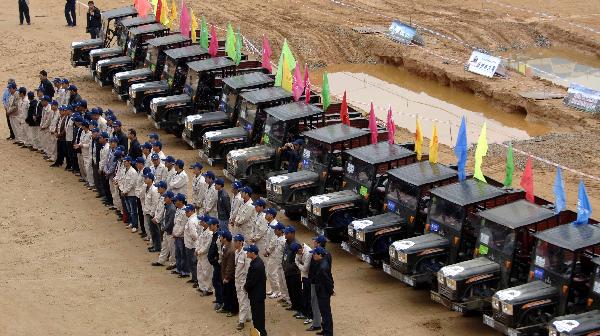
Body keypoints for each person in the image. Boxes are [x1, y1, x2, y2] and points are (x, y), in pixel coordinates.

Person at [244, 244, 267, 336]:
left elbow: (252, 281)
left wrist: (245, 287)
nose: (246, 253)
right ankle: (258, 332)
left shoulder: (257, 265)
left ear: (253, 253)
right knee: (256, 316)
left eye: (248, 252)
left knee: (258, 316)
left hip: (257, 295)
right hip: (256, 294)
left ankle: (261, 333)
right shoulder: (256, 262)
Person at [312, 246, 334, 336]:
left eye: (314, 254)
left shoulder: (322, 267)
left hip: (323, 293)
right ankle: (325, 329)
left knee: (326, 313)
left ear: (320, 255)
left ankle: (328, 332)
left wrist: (330, 291)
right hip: (322, 291)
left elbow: (328, 281)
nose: (313, 255)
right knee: (323, 312)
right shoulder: (321, 262)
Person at [153, 187, 175, 267]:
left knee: (172, 249)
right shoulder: (167, 206)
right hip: (167, 230)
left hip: (170, 231)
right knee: (165, 246)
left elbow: (171, 222)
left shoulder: (172, 208)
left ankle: (173, 263)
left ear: (170, 198)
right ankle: (161, 261)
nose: (164, 198)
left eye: (166, 197)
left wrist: (164, 228)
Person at [218, 231, 238, 316]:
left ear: (225, 238)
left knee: (231, 293)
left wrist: (226, 277)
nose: (220, 238)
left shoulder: (231, 250)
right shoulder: (225, 246)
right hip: (224, 273)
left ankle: (233, 310)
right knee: (225, 292)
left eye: (221, 236)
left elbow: (230, 266)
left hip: (229, 276)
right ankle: (226, 307)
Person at [264, 222, 286, 300]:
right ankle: (275, 290)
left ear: (280, 231)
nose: (274, 231)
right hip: (275, 258)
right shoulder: (278, 238)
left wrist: (268, 251)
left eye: (276, 229)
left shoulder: (283, 240)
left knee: (273, 274)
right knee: (271, 274)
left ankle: (277, 291)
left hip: (278, 261)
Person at [234, 234, 251, 330]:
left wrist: (246, 282)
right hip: (238, 279)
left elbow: (248, 268)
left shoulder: (245, 253)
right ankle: (248, 316)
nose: (234, 243)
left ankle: (241, 321)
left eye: (236, 241)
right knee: (242, 299)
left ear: (240, 242)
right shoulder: (237, 252)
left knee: (243, 300)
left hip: (243, 280)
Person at [282, 226, 301, 311]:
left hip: (294, 272)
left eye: (287, 233)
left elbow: (299, 259)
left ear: (292, 234)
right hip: (287, 271)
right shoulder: (287, 243)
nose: (285, 235)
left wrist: (290, 267)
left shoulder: (296, 244)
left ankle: (298, 307)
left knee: (296, 291)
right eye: (285, 233)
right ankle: (294, 306)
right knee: (290, 290)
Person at [195, 216, 214, 296]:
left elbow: (207, 246)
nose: (200, 222)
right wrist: (196, 250)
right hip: (200, 255)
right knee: (200, 271)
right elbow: (198, 242)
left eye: (201, 221)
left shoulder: (210, 233)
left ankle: (208, 289)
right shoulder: (202, 230)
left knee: (207, 272)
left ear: (205, 222)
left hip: (205, 255)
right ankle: (202, 286)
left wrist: (199, 251)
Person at [120, 156, 139, 232]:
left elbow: (132, 184)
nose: (124, 163)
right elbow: (121, 180)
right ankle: (131, 222)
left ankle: (135, 225)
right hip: (125, 193)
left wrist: (125, 191)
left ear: (130, 162)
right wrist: (122, 190)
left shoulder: (133, 172)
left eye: (126, 161)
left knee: (133, 210)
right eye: (124, 161)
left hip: (131, 194)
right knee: (129, 209)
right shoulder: (124, 170)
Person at [171, 193, 189, 277]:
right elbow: (176, 224)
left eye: (176, 200)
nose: (175, 201)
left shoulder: (185, 212)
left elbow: (183, 226)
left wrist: (177, 234)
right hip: (177, 236)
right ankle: (178, 269)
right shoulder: (178, 209)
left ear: (181, 202)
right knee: (177, 254)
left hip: (181, 237)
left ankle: (184, 271)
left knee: (183, 255)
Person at [208, 220, 223, 310]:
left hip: (218, 264)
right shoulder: (214, 235)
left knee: (217, 282)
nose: (209, 226)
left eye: (211, 225)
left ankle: (220, 301)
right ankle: (218, 298)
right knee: (216, 281)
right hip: (215, 263)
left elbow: (220, 250)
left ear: (215, 225)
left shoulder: (219, 236)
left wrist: (216, 260)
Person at [143, 173, 161, 252]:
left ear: (151, 179)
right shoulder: (147, 188)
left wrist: (152, 214)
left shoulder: (153, 189)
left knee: (155, 231)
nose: (145, 179)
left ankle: (157, 247)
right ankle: (154, 245)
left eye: (146, 178)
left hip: (151, 213)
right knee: (152, 230)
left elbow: (155, 203)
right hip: (147, 211)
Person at [293, 242, 312, 321]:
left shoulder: (308, 253)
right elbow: (296, 259)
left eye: (297, 252)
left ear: (300, 249)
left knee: (309, 297)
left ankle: (310, 316)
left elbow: (305, 268)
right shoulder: (298, 251)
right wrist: (299, 263)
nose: (297, 254)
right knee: (304, 295)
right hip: (304, 276)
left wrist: (298, 264)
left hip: (309, 277)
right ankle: (305, 313)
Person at [183, 204, 200, 286]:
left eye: (187, 211)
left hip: (191, 245)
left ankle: (196, 279)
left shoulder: (191, 221)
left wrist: (193, 241)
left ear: (192, 211)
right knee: (192, 263)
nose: (186, 213)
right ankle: (194, 278)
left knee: (193, 263)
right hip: (192, 244)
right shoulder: (193, 218)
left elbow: (194, 235)